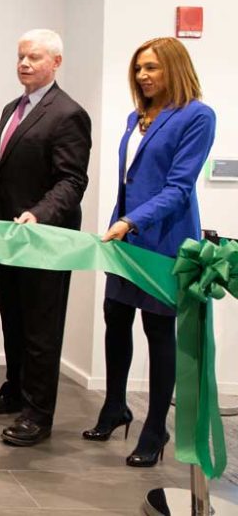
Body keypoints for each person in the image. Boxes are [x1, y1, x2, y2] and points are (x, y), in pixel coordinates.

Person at [85, 37, 214, 467]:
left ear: (174, 67)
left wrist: (131, 221)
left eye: (152, 67)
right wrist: (118, 223)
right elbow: (130, 181)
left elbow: (178, 188)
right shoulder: (136, 116)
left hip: (162, 242)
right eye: (139, 68)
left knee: (158, 333)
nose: (142, 75)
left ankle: (156, 427)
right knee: (115, 320)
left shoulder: (196, 116)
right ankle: (114, 406)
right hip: (124, 240)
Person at [0, 29, 91, 446]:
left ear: (56, 62)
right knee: (14, 319)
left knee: (41, 329)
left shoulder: (68, 113)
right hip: (8, 237)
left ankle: (38, 414)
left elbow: (72, 180)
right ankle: (15, 389)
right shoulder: (12, 108)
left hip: (44, 240)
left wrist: (39, 215)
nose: (25, 64)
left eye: (35, 58)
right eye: (21, 56)